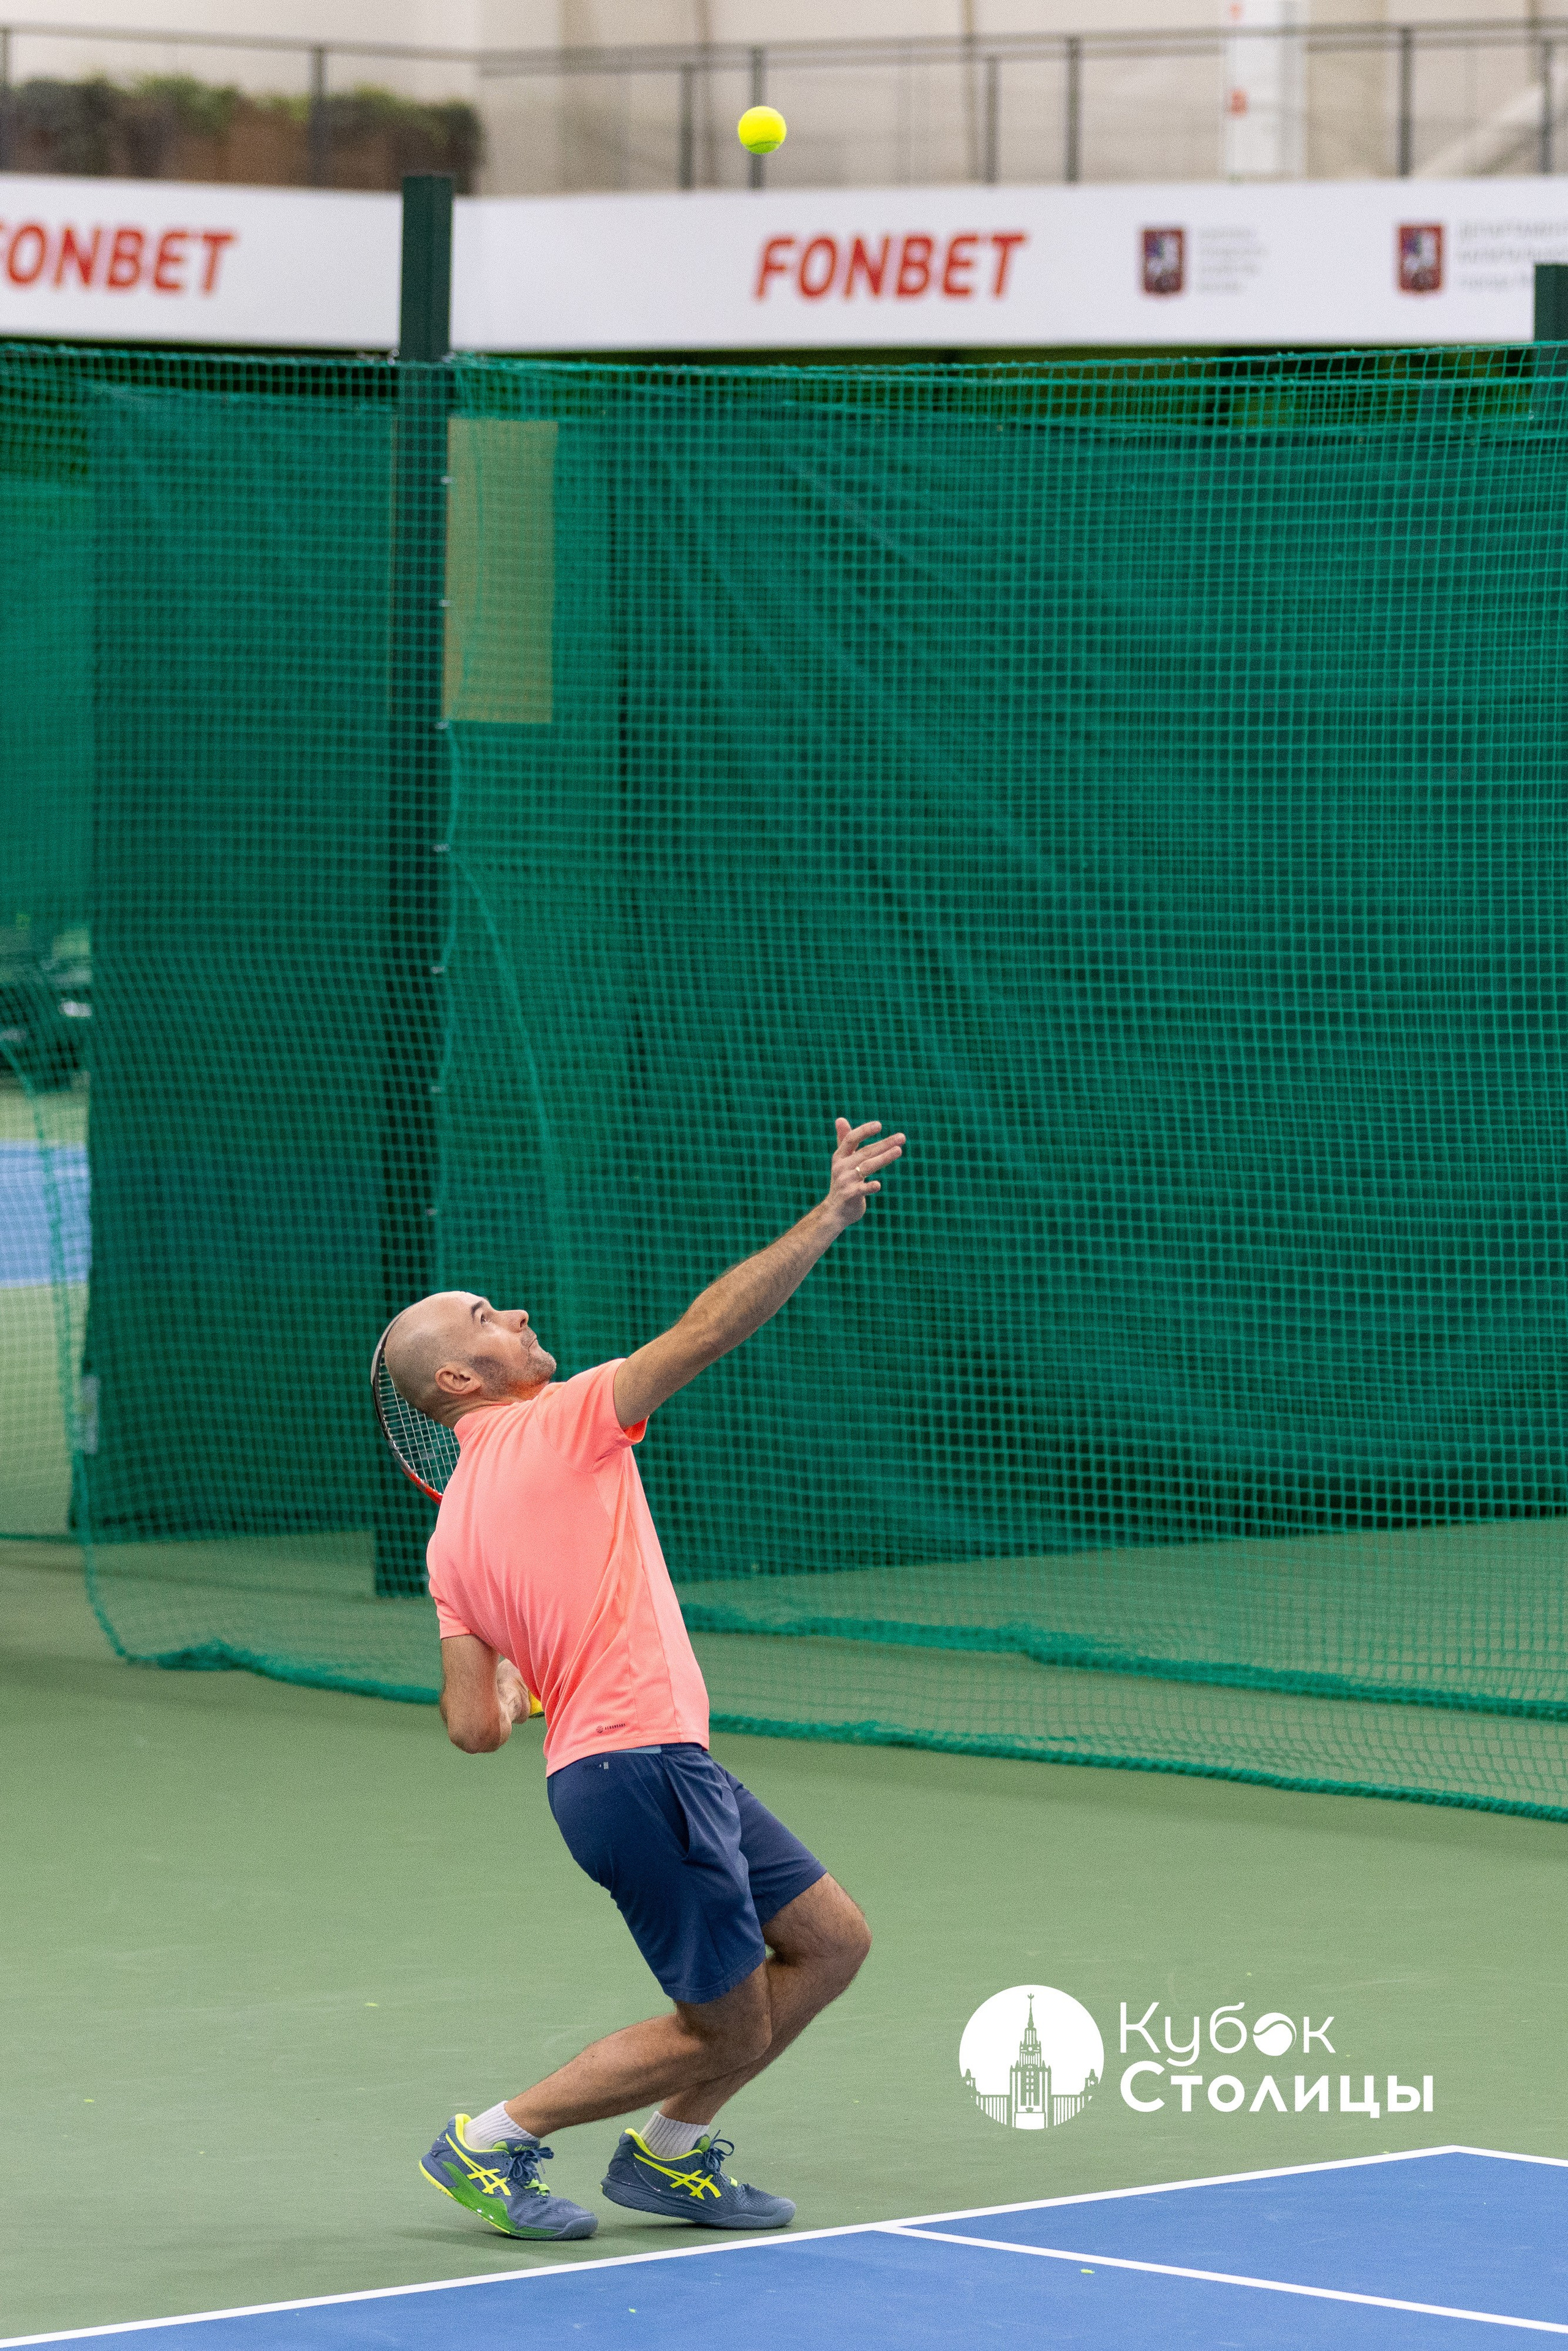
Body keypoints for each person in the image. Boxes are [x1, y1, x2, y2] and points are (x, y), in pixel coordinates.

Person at [385, 1116, 906, 2243]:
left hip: (637, 1762)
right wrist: (821, 1221)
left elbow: (475, 1726)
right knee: (721, 2027)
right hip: (639, 1768)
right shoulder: (564, 1423)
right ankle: (487, 2141)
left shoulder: (449, 1544)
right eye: (487, 1316)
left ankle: (669, 2157)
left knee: (832, 1941)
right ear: (464, 1376)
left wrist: (531, 1683)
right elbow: (703, 1331)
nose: (516, 1312)